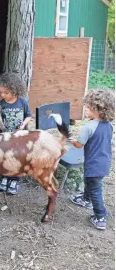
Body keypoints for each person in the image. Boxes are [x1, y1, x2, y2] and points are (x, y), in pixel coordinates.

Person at [70, 88, 115, 230]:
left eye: (88, 107)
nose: (86, 109)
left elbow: (78, 145)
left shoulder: (88, 127)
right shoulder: (109, 126)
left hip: (93, 164)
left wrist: (70, 139)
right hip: (104, 162)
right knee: (90, 182)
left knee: (95, 190)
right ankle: (85, 199)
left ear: (98, 109)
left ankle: (100, 217)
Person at [0, 72, 32, 195]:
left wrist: (23, 125)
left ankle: (15, 180)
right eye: (1, 92)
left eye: (6, 93)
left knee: (18, 159)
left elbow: (29, 116)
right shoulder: (2, 105)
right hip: (6, 137)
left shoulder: (23, 102)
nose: (2, 95)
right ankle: (5, 176)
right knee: (5, 157)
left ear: (14, 90)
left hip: (20, 138)